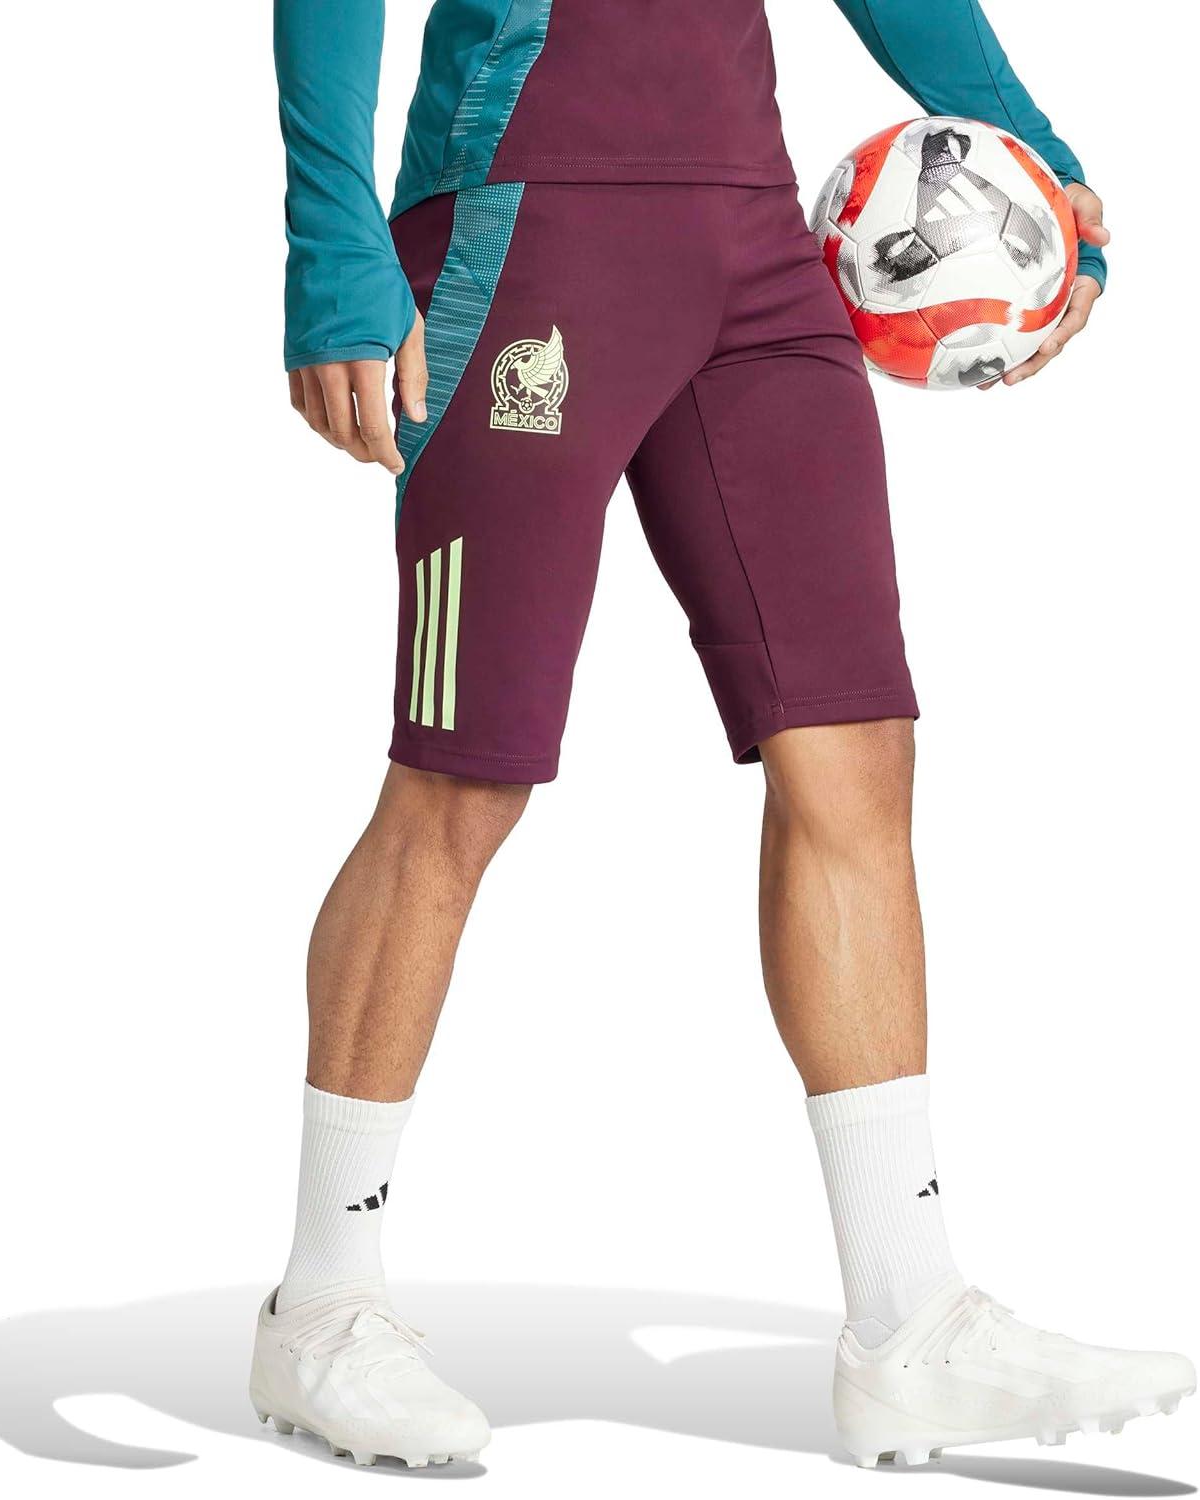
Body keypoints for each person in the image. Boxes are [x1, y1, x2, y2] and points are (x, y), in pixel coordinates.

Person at [249, 0, 1192, 1472]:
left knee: (852, 746)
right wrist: (333, 245)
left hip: (755, 250)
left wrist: (1034, 156)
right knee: (463, 777)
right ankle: (321, 1307)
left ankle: (910, 1323)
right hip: (518, 227)